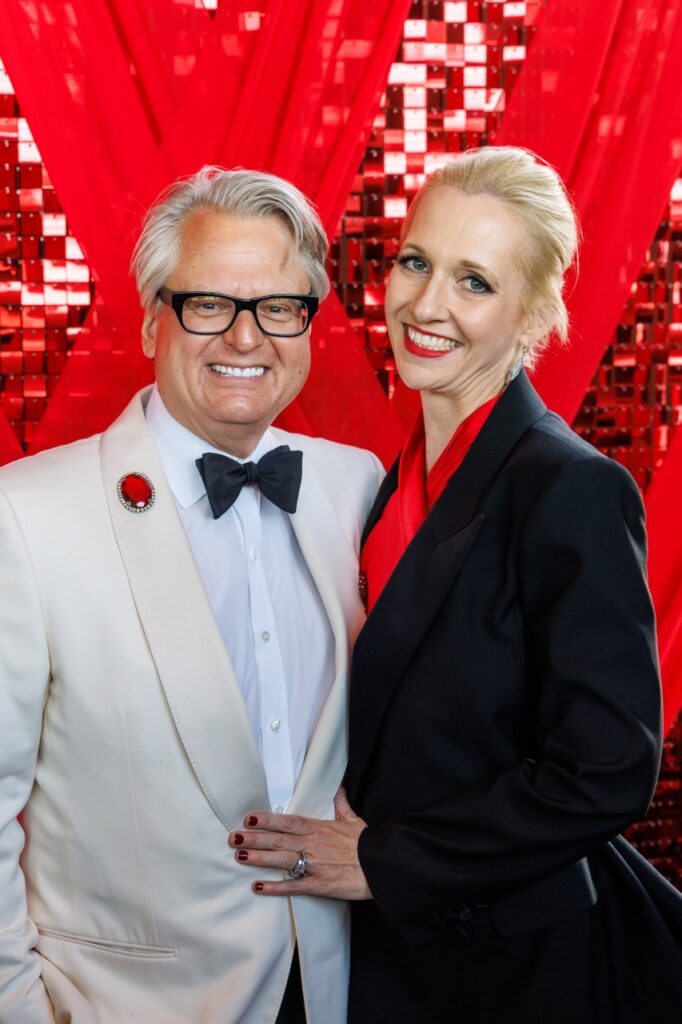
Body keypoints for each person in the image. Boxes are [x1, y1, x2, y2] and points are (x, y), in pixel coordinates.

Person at [229, 147, 682, 1023]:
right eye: (416, 262)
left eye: (474, 281)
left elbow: (610, 768)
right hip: (393, 952)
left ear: (533, 313)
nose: (426, 305)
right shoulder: (387, 480)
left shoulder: (568, 487)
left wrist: (386, 860)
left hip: (512, 965)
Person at [0, 167, 383, 1024]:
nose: (247, 337)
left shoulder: (356, 487)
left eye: (279, 307)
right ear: (151, 320)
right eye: (209, 303)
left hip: (334, 989)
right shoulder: (23, 517)